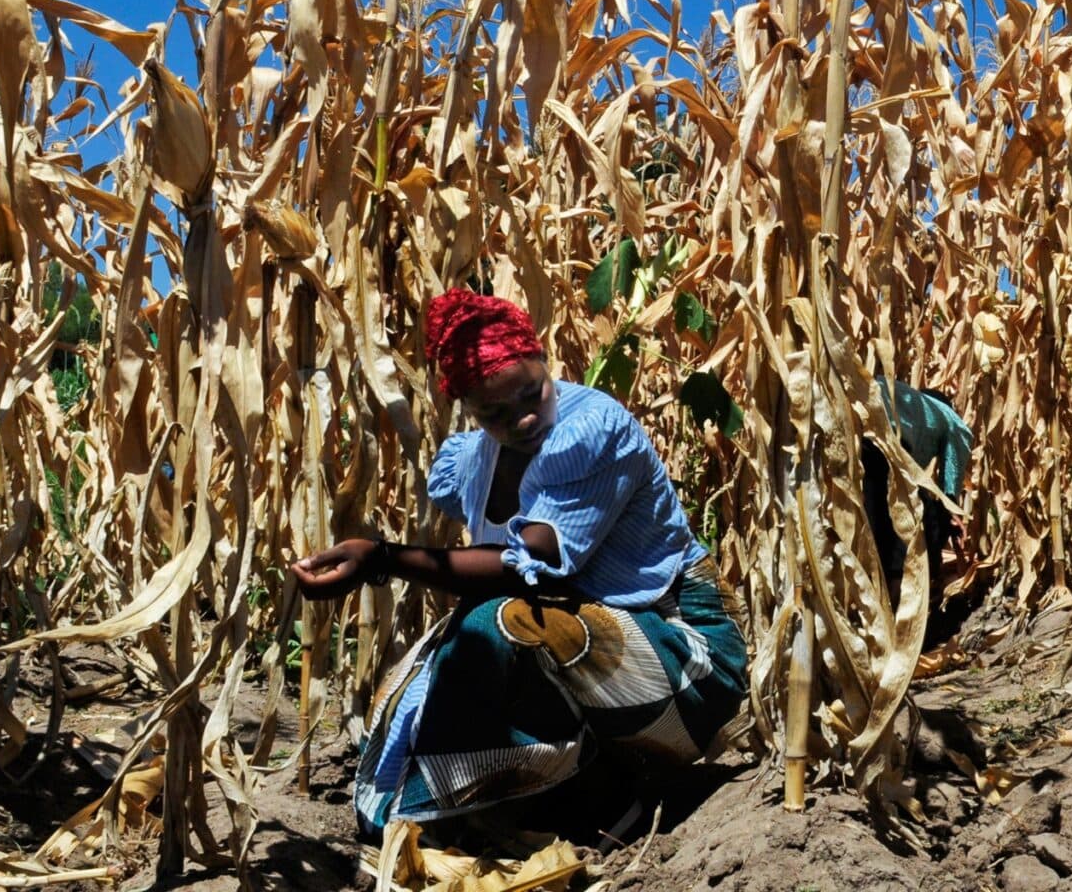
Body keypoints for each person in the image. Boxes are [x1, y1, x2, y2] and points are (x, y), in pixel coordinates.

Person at [290, 289, 747, 845]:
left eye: (533, 393)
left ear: (543, 360)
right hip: (592, 645)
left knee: (499, 626)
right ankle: (481, 810)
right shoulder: (474, 460)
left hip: (684, 648)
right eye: (495, 413)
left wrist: (383, 558)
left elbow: (530, 565)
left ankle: (602, 803)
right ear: (468, 408)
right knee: (427, 672)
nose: (524, 418)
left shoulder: (592, 430)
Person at [860, 380, 973, 625]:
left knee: (872, 523)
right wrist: (951, 511)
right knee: (903, 527)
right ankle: (895, 606)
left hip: (858, 428)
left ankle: (871, 606)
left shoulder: (911, 403)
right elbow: (951, 483)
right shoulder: (950, 418)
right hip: (888, 442)